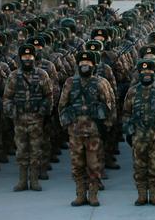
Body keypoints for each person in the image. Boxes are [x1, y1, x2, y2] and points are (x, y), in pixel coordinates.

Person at [58, 51, 114, 207]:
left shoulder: (100, 83)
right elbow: (62, 105)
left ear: (94, 65)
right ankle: (80, 194)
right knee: (77, 164)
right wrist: (66, 124)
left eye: (88, 63)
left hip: (93, 132)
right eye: (82, 64)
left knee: (94, 165)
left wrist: (106, 127)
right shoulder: (70, 82)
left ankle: (93, 194)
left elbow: (109, 105)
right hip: (75, 132)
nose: (85, 66)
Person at [123, 59, 155, 206]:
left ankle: (154, 195)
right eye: (144, 72)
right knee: (139, 167)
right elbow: (126, 113)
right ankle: (141, 195)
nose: (146, 74)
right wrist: (130, 130)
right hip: (138, 137)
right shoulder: (132, 92)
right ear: (139, 73)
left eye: (150, 71)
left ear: (154, 73)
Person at [2, 44, 53, 192]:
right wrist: (12, 112)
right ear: (20, 58)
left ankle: (34, 180)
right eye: (24, 57)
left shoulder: (42, 75)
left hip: (36, 118)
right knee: (21, 150)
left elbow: (49, 96)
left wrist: (43, 111)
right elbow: (7, 98)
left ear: (34, 57)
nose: (27, 59)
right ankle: (22, 181)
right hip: (19, 119)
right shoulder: (13, 76)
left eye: (30, 56)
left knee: (36, 150)